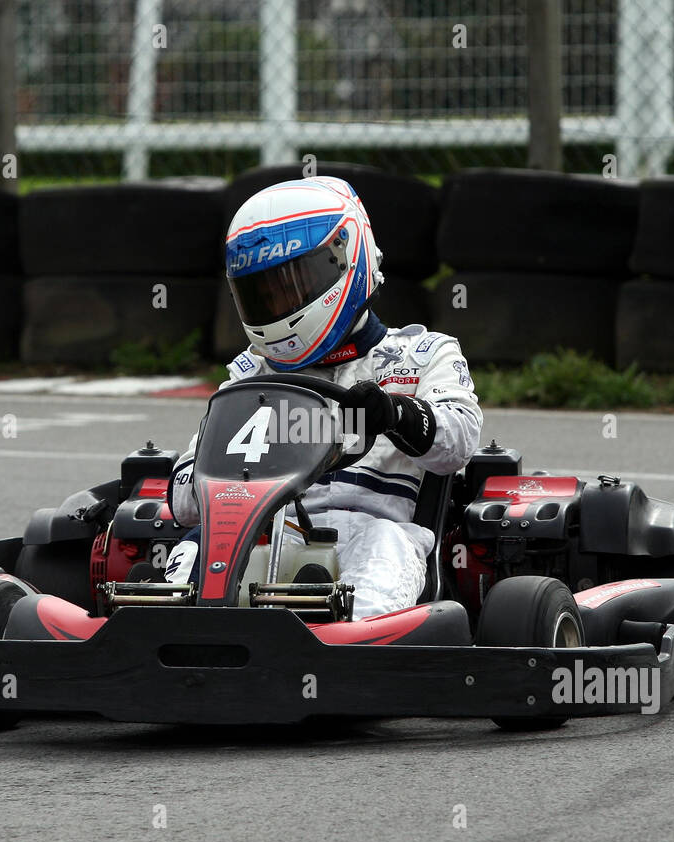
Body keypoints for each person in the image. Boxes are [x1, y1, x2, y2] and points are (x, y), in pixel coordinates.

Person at [165, 175, 483, 617]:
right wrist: (227, 477)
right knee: (197, 549)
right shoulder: (249, 377)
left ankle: (353, 647)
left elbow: (459, 441)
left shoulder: (420, 354)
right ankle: (165, 631)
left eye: (290, 286)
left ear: (344, 260)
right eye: (265, 293)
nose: (277, 305)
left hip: (377, 530)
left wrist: (394, 413)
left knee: (384, 547)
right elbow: (182, 500)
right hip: (264, 535)